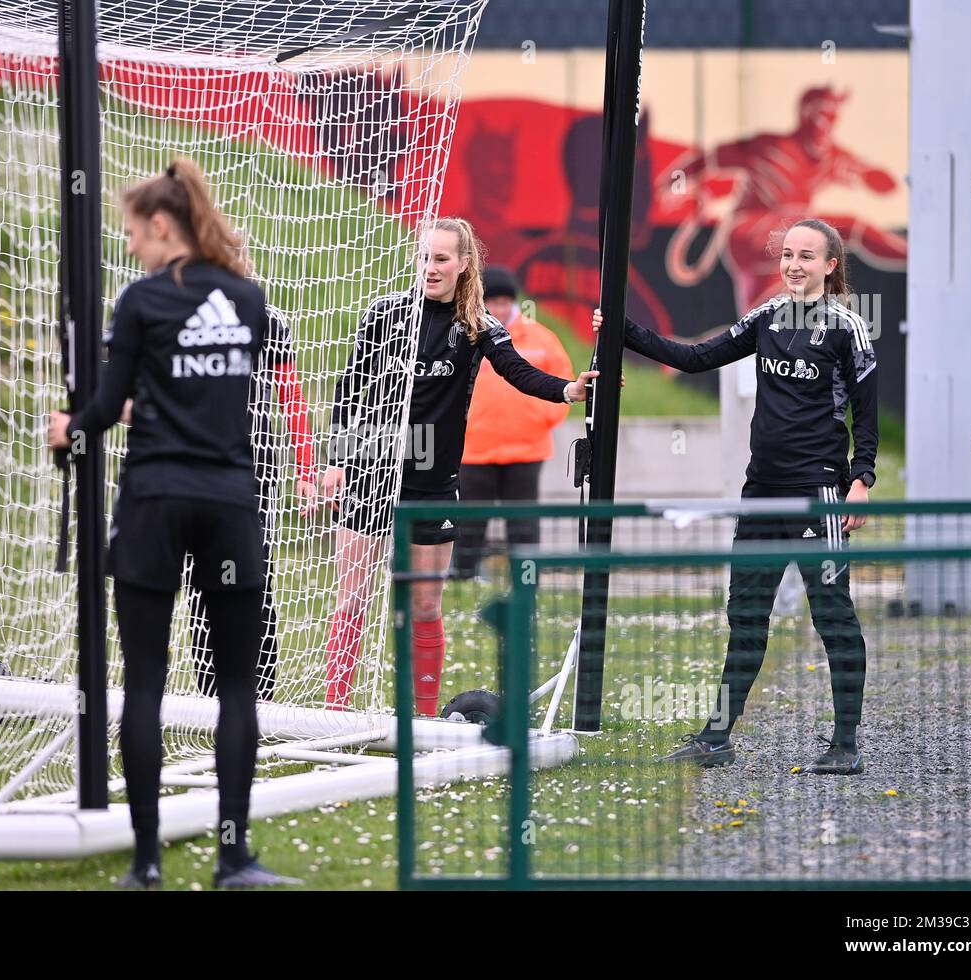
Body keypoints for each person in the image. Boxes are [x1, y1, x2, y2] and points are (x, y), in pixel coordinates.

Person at [47, 159, 300, 889]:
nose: (130, 247)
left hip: (155, 501)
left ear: (162, 225)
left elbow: (106, 405)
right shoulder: (248, 300)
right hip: (229, 503)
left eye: (133, 232)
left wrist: (69, 429)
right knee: (236, 692)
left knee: (147, 687)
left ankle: (148, 862)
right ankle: (233, 858)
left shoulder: (141, 302)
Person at [593, 218, 876, 775]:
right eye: (787, 254)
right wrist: (622, 330)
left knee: (833, 616)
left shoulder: (848, 328)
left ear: (829, 265)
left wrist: (860, 482)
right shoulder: (766, 316)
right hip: (759, 492)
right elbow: (695, 358)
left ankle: (845, 744)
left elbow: (865, 420)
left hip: (817, 492)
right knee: (745, 616)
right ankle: (716, 737)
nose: (793, 264)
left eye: (806, 256)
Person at [321, 217, 600, 716]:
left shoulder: (476, 325)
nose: (430, 267)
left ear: (464, 264)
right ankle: (334, 713)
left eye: (442, 258)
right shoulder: (384, 314)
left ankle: (425, 720)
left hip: (432, 485)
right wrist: (337, 461)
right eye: (425, 256)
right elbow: (350, 390)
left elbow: (518, 372)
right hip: (370, 475)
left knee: (425, 607)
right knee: (351, 601)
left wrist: (567, 390)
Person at [189, 303, 317, 701]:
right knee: (202, 577)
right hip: (195, 464)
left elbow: (291, 399)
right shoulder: (185, 315)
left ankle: (259, 689)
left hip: (254, 466)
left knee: (251, 574)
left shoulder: (268, 319)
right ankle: (210, 690)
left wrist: (306, 469)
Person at [455, 265, 572, 578]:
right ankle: (461, 579)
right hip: (474, 450)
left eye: (506, 302)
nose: (500, 309)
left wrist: (539, 419)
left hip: (526, 450)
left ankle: (526, 579)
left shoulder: (541, 338)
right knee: (468, 522)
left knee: (522, 523)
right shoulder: (463, 335)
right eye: (493, 302)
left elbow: (566, 383)